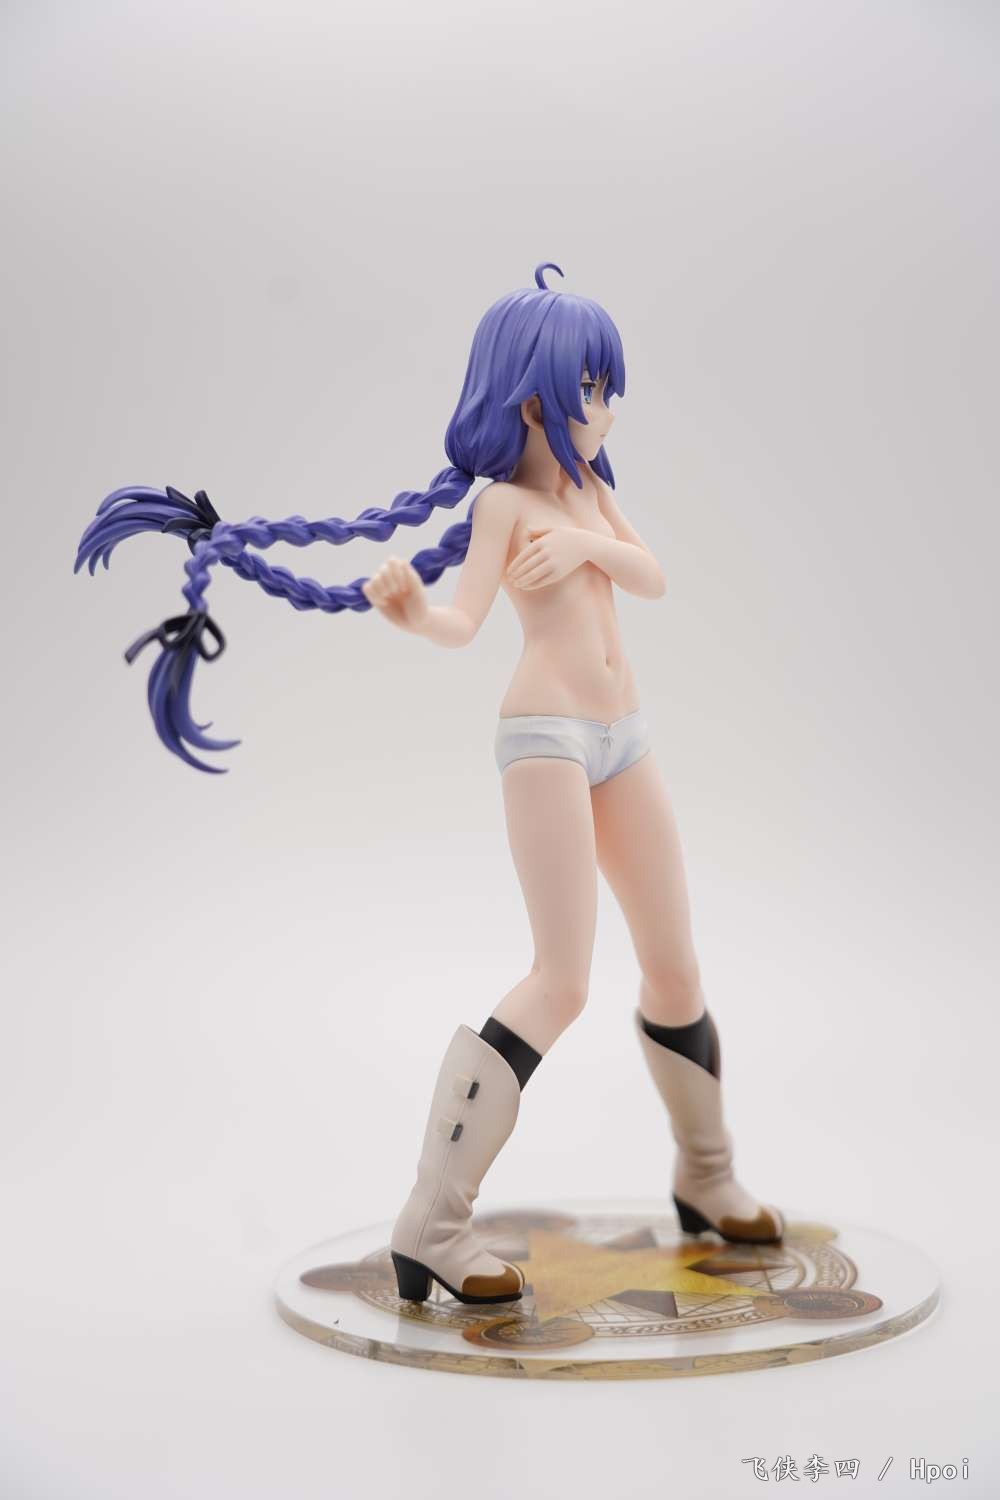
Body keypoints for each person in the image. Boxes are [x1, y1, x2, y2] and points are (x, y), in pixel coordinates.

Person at [74, 262, 784, 1309]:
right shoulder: (504, 507)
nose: (608, 406)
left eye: (609, 386)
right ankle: (433, 1222)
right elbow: (462, 621)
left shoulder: (589, 495)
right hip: (546, 738)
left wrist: (584, 538)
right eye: (592, 388)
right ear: (535, 400)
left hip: (624, 739)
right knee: (562, 980)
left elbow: (653, 576)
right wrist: (413, 614)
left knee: (674, 967)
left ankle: (706, 1174)